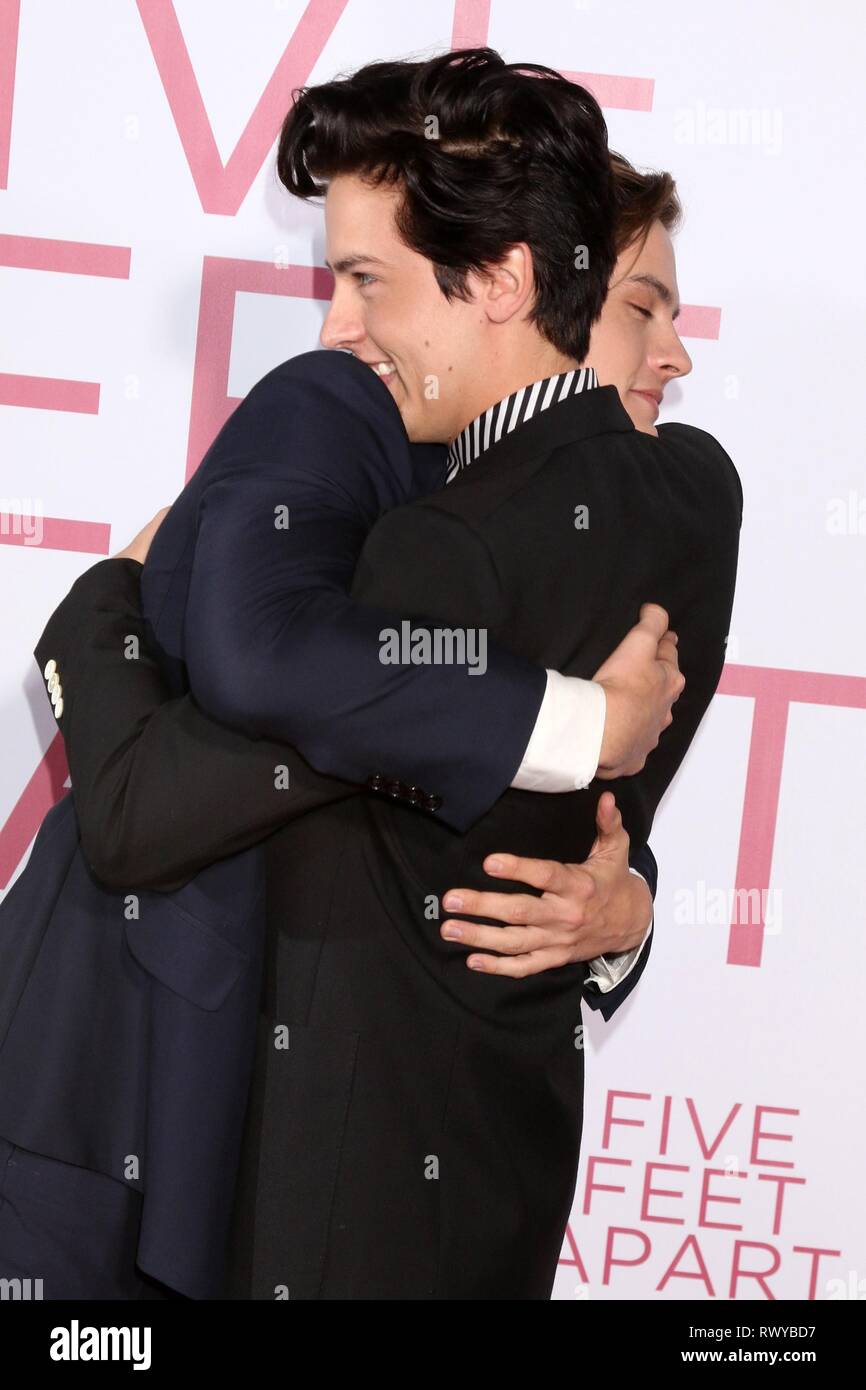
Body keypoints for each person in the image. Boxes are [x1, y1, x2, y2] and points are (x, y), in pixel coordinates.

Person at [0, 50, 736, 1299]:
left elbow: (156, 804)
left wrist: (100, 609)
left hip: (348, 1177)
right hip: (364, 1142)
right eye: (639, 305)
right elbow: (552, 804)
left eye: (359, 280)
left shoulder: (483, 539)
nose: (338, 327)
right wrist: (624, 893)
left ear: (501, 278)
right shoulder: (672, 493)